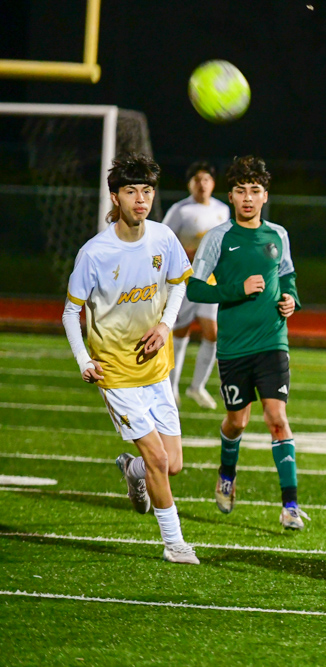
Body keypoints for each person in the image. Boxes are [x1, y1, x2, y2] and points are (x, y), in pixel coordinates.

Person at [61, 152, 199, 564]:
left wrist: (165, 326)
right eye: (131, 191)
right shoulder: (95, 253)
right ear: (115, 197)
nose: (141, 199)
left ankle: (131, 470)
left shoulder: (163, 238)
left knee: (172, 464)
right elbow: (70, 312)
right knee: (157, 457)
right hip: (116, 373)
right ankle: (174, 543)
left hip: (156, 369)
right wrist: (84, 360)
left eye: (147, 191)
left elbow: (180, 283)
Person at [186, 155, 307, 530]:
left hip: (273, 341)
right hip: (234, 347)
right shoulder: (218, 238)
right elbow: (194, 288)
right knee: (237, 423)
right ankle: (227, 473)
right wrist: (236, 289)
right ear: (231, 196)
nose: (248, 198)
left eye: (255, 190)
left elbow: (287, 276)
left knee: (277, 419)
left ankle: (290, 505)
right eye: (241, 191)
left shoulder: (278, 235)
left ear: (265, 195)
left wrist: (291, 299)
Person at [163, 161, 231, 409]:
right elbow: (164, 241)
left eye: (206, 179)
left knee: (213, 334)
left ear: (213, 183)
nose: (202, 184)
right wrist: (186, 253)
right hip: (185, 280)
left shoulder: (222, 210)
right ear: (189, 184)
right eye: (197, 180)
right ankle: (171, 388)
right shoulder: (180, 210)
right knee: (181, 332)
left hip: (210, 280)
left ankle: (197, 387)